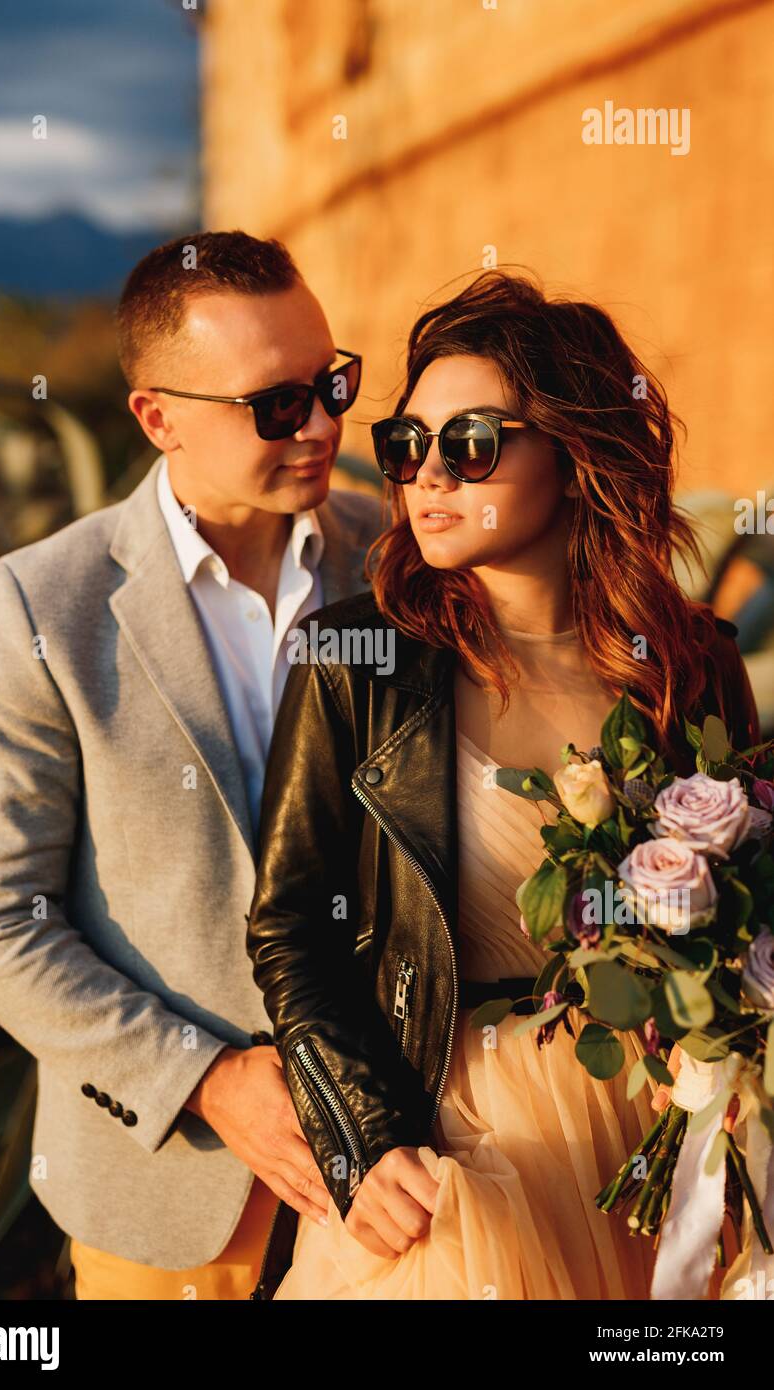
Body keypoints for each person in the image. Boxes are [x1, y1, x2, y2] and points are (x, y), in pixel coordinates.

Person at [245, 268, 760, 1299]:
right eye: (407, 444)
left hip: (663, 1134)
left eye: (470, 442)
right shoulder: (352, 658)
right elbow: (290, 925)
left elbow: (751, 903)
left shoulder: (688, 659)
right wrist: (360, 1144)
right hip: (449, 1152)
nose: (428, 474)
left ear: (574, 457)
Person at [0, 229, 384, 1300]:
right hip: (174, 1202)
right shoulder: (47, 603)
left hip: (406, 1176)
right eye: (275, 404)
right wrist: (210, 1080)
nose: (320, 424)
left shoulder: (399, 561)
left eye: (332, 383)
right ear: (157, 416)